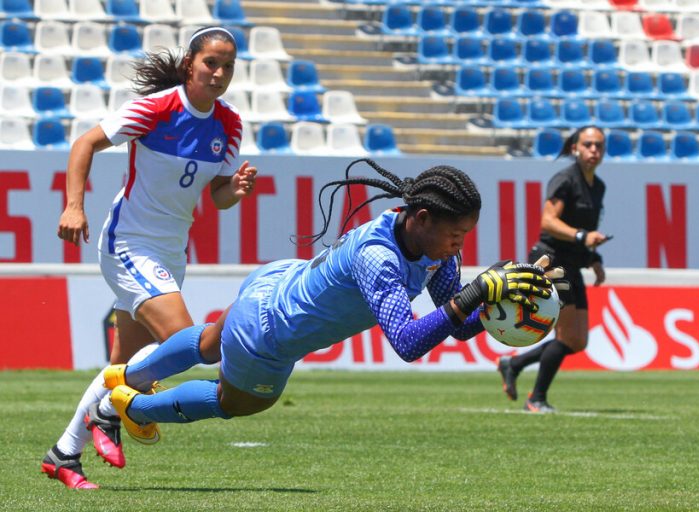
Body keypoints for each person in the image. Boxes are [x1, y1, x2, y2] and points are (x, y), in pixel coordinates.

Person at [95, 159, 563, 444]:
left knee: (210, 343)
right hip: (269, 336)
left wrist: (502, 302)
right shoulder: (381, 258)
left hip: (272, 283)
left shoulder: (422, 241)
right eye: (456, 234)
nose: (460, 246)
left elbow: (458, 323)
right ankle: (129, 407)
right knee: (233, 402)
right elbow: (407, 342)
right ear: (422, 218)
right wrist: (478, 292)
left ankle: (129, 374)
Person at [42, 26, 258, 489]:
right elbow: (85, 144)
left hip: (170, 251)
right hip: (129, 242)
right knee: (185, 339)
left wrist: (233, 190)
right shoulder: (156, 108)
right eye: (210, 64)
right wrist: (74, 204)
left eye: (228, 67)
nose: (219, 74)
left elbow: (217, 196)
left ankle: (63, 453)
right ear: (190, 65)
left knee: (126, 360)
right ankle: (110, 412)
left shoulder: (231, 123)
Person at [497, 126, 610, 414]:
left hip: (572, 262)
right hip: (551, 261)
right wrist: (583, 237)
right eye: (588, 144)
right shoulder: (565, 179)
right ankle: (536, 398)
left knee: (578, 341)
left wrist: (593, 258)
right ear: (575, 148)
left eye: (599, 145)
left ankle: (515, 363)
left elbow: (583, 231)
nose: (594, 150)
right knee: (567, 336)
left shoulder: (598, 187)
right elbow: (548, 222)